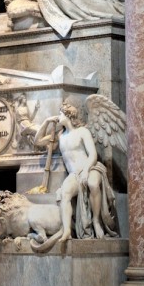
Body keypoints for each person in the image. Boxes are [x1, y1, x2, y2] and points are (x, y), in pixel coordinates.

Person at [34, 102, 117, 241]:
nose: (58, 116)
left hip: (90, 167)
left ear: (67, 115)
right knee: (65, 192)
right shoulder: (60, 136)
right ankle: (66, 230)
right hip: (74, 174)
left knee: (93, 184)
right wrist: (46, 121)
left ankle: (96, 221)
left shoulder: (82, 132)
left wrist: (86, 170)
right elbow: (38, 141)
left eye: (60, 113)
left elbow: (93, 155)